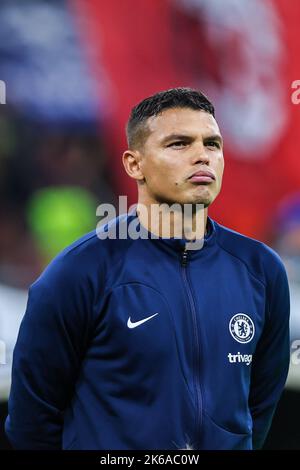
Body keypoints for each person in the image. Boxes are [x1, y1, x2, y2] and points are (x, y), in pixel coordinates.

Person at [5, 88, 290, 450]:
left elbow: (259, 407)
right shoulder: (81, 272)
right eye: (179, 144)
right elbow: (32, 421)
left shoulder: (261, 269)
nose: (202, 156)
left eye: (212, 144)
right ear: (133, 164)